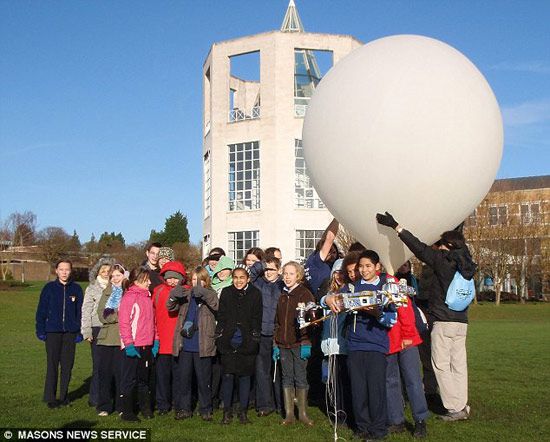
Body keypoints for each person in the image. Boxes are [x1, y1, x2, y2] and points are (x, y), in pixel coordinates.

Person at [376, 212, 477, 421]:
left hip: (443, 319)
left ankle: (453, 407)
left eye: (441, 244)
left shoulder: (443, 260)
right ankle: (462, 403)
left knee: (440, 364)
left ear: (447, 245)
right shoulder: (466, 262)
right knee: (458, 365)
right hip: (461, 322)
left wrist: (396, 226)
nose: (438, 247)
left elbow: (418, 247)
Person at [345, 250, 399, 440]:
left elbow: (392, 319)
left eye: (368, 266)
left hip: (376, 345)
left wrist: (377, 314)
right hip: (354, 345)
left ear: (377, 267)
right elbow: (333, 300)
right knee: (358, 390)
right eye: (361, 266)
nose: (364, 270)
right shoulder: (352, 288)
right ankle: (362, 427)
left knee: (375, 390)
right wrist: (327, 299)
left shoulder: (386, 290)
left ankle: (378, 430)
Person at [167, 266, 219, 421]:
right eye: (194, 280)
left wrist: (204, 293)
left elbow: (216, 305)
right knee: (184, 379)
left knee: (204, 380)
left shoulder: (211, 294)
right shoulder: (186, 295)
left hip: (203, 344)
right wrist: (172, 296)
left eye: (200, 280)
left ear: (206, 281)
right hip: (185, 344)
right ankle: (184, 408)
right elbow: (170, 307)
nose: (197, 283)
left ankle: (205, 408)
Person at [385, 269, 429, 438]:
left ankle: (420, 419)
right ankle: (396, 420)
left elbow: (405, 311)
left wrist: (408, 335)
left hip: (405, 339)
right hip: (388, 340)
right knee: (390, 381)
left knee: (413, 380)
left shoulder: (393, 283)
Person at [216, 266, 262, 425]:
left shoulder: (255, 293)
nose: (238, 281)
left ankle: (243, 412)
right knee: (228, 376)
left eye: (242, 277)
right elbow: (221, 315)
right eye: (235, 277)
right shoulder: (227, 292)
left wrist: (255, 337)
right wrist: (220, 334)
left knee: (244, 377)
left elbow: (257, 317)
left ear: (248, 279)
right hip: (228, 340)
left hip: (247, 341)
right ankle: (227, 412)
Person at [35, 259, 84, 408]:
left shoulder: (76, 289)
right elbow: (41, 311)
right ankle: (50, 397)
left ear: (71, 271)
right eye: (61, 269)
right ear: (56, 271)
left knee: (67, 366)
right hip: (52, 332)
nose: (64, 272)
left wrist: (79, 331)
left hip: (70, 333)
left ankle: (63, 396)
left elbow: (80, 312)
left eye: (67, 269)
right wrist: (41, 330)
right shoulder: (49, 288)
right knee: (52, 365)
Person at [273, 261, 315, 426]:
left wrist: (306, 342)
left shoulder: (305, 294)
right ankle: (289, 414)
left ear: (298, 275)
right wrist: (275, 343)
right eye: (285, 274)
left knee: (301, 377)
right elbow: (277, 322)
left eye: (291, 274)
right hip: (283, 345)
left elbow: (311, 322)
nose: (287, 277)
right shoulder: (282, 296)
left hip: (299, 344)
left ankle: (303, 414)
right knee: (287, 378)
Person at [118, 267, 159, 421]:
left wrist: (156, 341)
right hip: (133, 346)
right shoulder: (129, 297)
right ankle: (127, 412)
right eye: (146, 280)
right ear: (136, 281)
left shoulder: (148, 297)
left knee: (144, 379)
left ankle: (146, 409)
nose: (149, 282)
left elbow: (153, 323)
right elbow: (124, 323)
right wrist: (128, 344)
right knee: (129, 380)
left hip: (147, 346)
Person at [249, 255, 284, 417]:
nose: (269, 272)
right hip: (262, 333)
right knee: (262, 370)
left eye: (272, 269)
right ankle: (264, 404)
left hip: (278, 334)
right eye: (267, 270)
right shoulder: (259, 284)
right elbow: (252, 274)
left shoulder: (283, 286)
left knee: (279, 371)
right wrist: (263, 265)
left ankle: (281, 404)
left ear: (279, 270)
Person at [152, 261, 187, 415]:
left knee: (179, 376)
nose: (172, 281)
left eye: (176, 278)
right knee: (162, 377)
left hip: (179, 341)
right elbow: (152, 313)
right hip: (162, 340)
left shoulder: (186, 291)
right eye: (169, 277)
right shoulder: (158, 291)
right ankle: (162, 404)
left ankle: (178, 403)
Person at [81, 257, 115, 408]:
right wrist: (86, 331)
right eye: (103, 271)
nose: (106, 273)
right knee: (98, 365)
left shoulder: (116, 287)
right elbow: (86, 310)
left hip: (113, 328)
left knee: (112, 365)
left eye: (109, 271)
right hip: (97, 327)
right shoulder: (92, 288)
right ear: (98, 272)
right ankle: (95, 397)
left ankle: (110, 395)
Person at [96, 263, 128, 416]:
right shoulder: (107, 292)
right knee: (105, 374)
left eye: (118, 275)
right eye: (113, 276)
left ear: (124, 276)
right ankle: (105, 406)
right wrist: (118, 314)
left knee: (122, 374)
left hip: (123, 339)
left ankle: (122, 406)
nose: (115, 279)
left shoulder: (128, 292)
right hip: (107, 339)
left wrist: (118, 315)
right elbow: (102, 315)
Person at [304, 218, 340, 296]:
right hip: (319, 296)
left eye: (334, 252)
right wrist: (339, 217)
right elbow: (329, 238)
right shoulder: (317, 260)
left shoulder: (312, 259)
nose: (332, 255)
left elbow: (325, 237)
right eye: (329, 251)